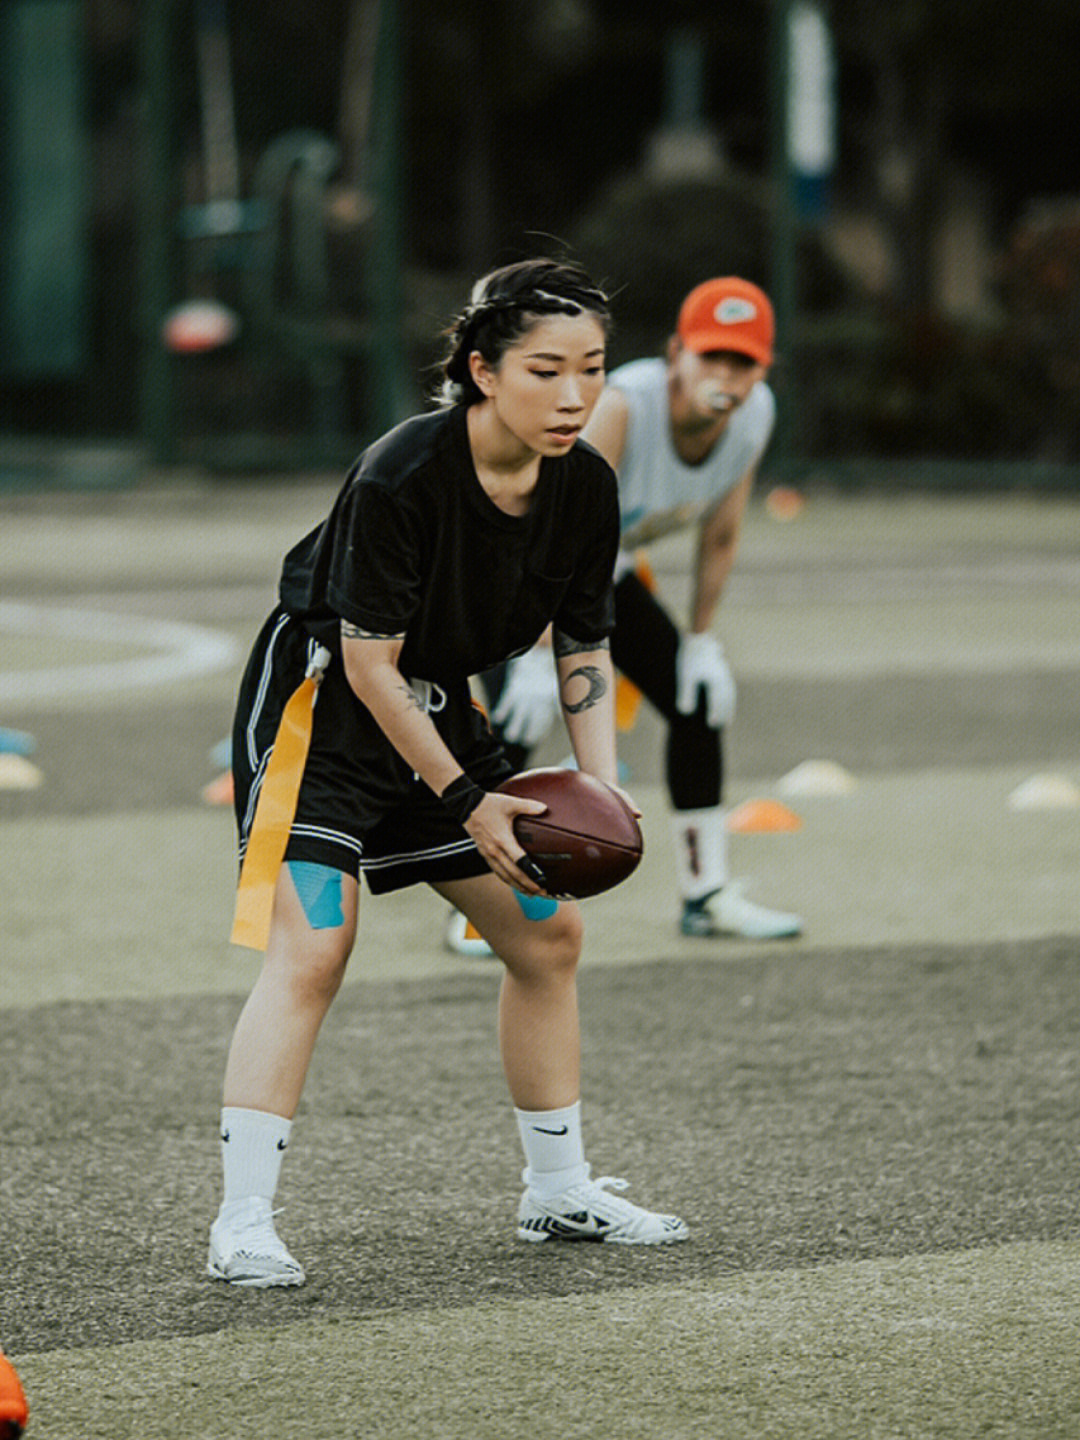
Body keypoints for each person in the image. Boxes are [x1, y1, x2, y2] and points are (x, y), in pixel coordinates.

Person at [208, 258, 688, 1288]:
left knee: (549, 933)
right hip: (325, 710)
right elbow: (372, 666)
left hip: (434, 705)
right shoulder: (402, 473)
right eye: (545, 369)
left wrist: (597, 786)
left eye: (594, 370)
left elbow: (583, 646)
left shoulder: (584, 486)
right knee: (316, 951)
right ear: (481, 369)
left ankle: (557, 1193)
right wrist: (469, 804)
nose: (573, 396)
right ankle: (242, 1221)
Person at [448, 277, 802, 956]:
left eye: (744, 362)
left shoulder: (754, 418)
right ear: (677, 353)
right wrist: (529, 656)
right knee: (512, 730)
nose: (726, 376)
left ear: (763, 369)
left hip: (598, 572)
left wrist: (700, 642)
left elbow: (720, 535)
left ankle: (706, 893)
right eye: (713, 356)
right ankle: (477, 908)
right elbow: (552, 530)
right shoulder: (622, 408)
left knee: (696, 704)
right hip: (514, 568)